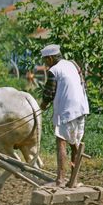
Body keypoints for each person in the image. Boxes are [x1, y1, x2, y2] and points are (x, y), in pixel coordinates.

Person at [39, 44, 89, 187]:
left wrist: (43, 105)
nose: (44, 63)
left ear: (49, 58)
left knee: (61, 141)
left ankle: (60, 179)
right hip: (82, 108)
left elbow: (49, 93)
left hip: (67, 110)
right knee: (75, 144)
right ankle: (74, 179)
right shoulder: (72, 64)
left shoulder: (54, 70)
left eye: (44, 60)